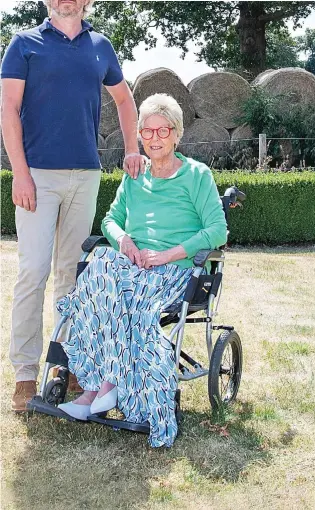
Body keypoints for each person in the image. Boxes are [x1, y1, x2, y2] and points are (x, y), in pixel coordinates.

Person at [56, 93, 228, 447]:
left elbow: (217, 230)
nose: (154, 138)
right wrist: (125, 244)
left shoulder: (197, 175)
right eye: (146, 132)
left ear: (176, 134)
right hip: (134, 267)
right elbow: (110, 220)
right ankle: (97, 389)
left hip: (176, 271)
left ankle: (104, 390)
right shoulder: (135, 174)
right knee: (100, 267)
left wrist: (168, 255)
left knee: (123, 294)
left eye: (162, 130)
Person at [1, 0, 145, 412]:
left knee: (72, 275)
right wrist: (21, 173)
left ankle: (69, 364)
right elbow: (8, 109)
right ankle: (25, 375)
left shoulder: (101, 46)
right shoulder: (23, 44)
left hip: (85, 175)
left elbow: (124, 99)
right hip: (38, 176)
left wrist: (132, 149)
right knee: (33, 271)